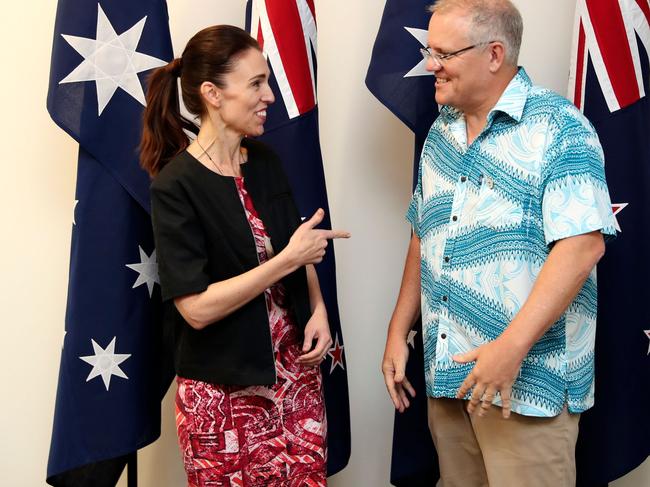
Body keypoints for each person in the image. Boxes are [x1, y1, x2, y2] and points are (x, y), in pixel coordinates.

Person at [381, 1, 616, 485]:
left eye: (443, 52)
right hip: (448, 378)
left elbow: (583, 247)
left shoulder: (560, 128)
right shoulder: (440, 134)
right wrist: (398, 330)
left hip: (525, 389)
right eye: (430, 49)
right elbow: (422, 232)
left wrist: (509, 349)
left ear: (493, 54)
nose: (430, 65)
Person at [140, 25, 349, 487]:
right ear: (212, 93)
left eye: (267, 81)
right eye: (256, 83)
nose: (270, 96)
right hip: (223, 401)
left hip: (296, 382)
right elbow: (195, 309)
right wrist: (287, 261)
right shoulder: (174, 186)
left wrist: (317, 309)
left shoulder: (267, 161)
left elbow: (296, 239)